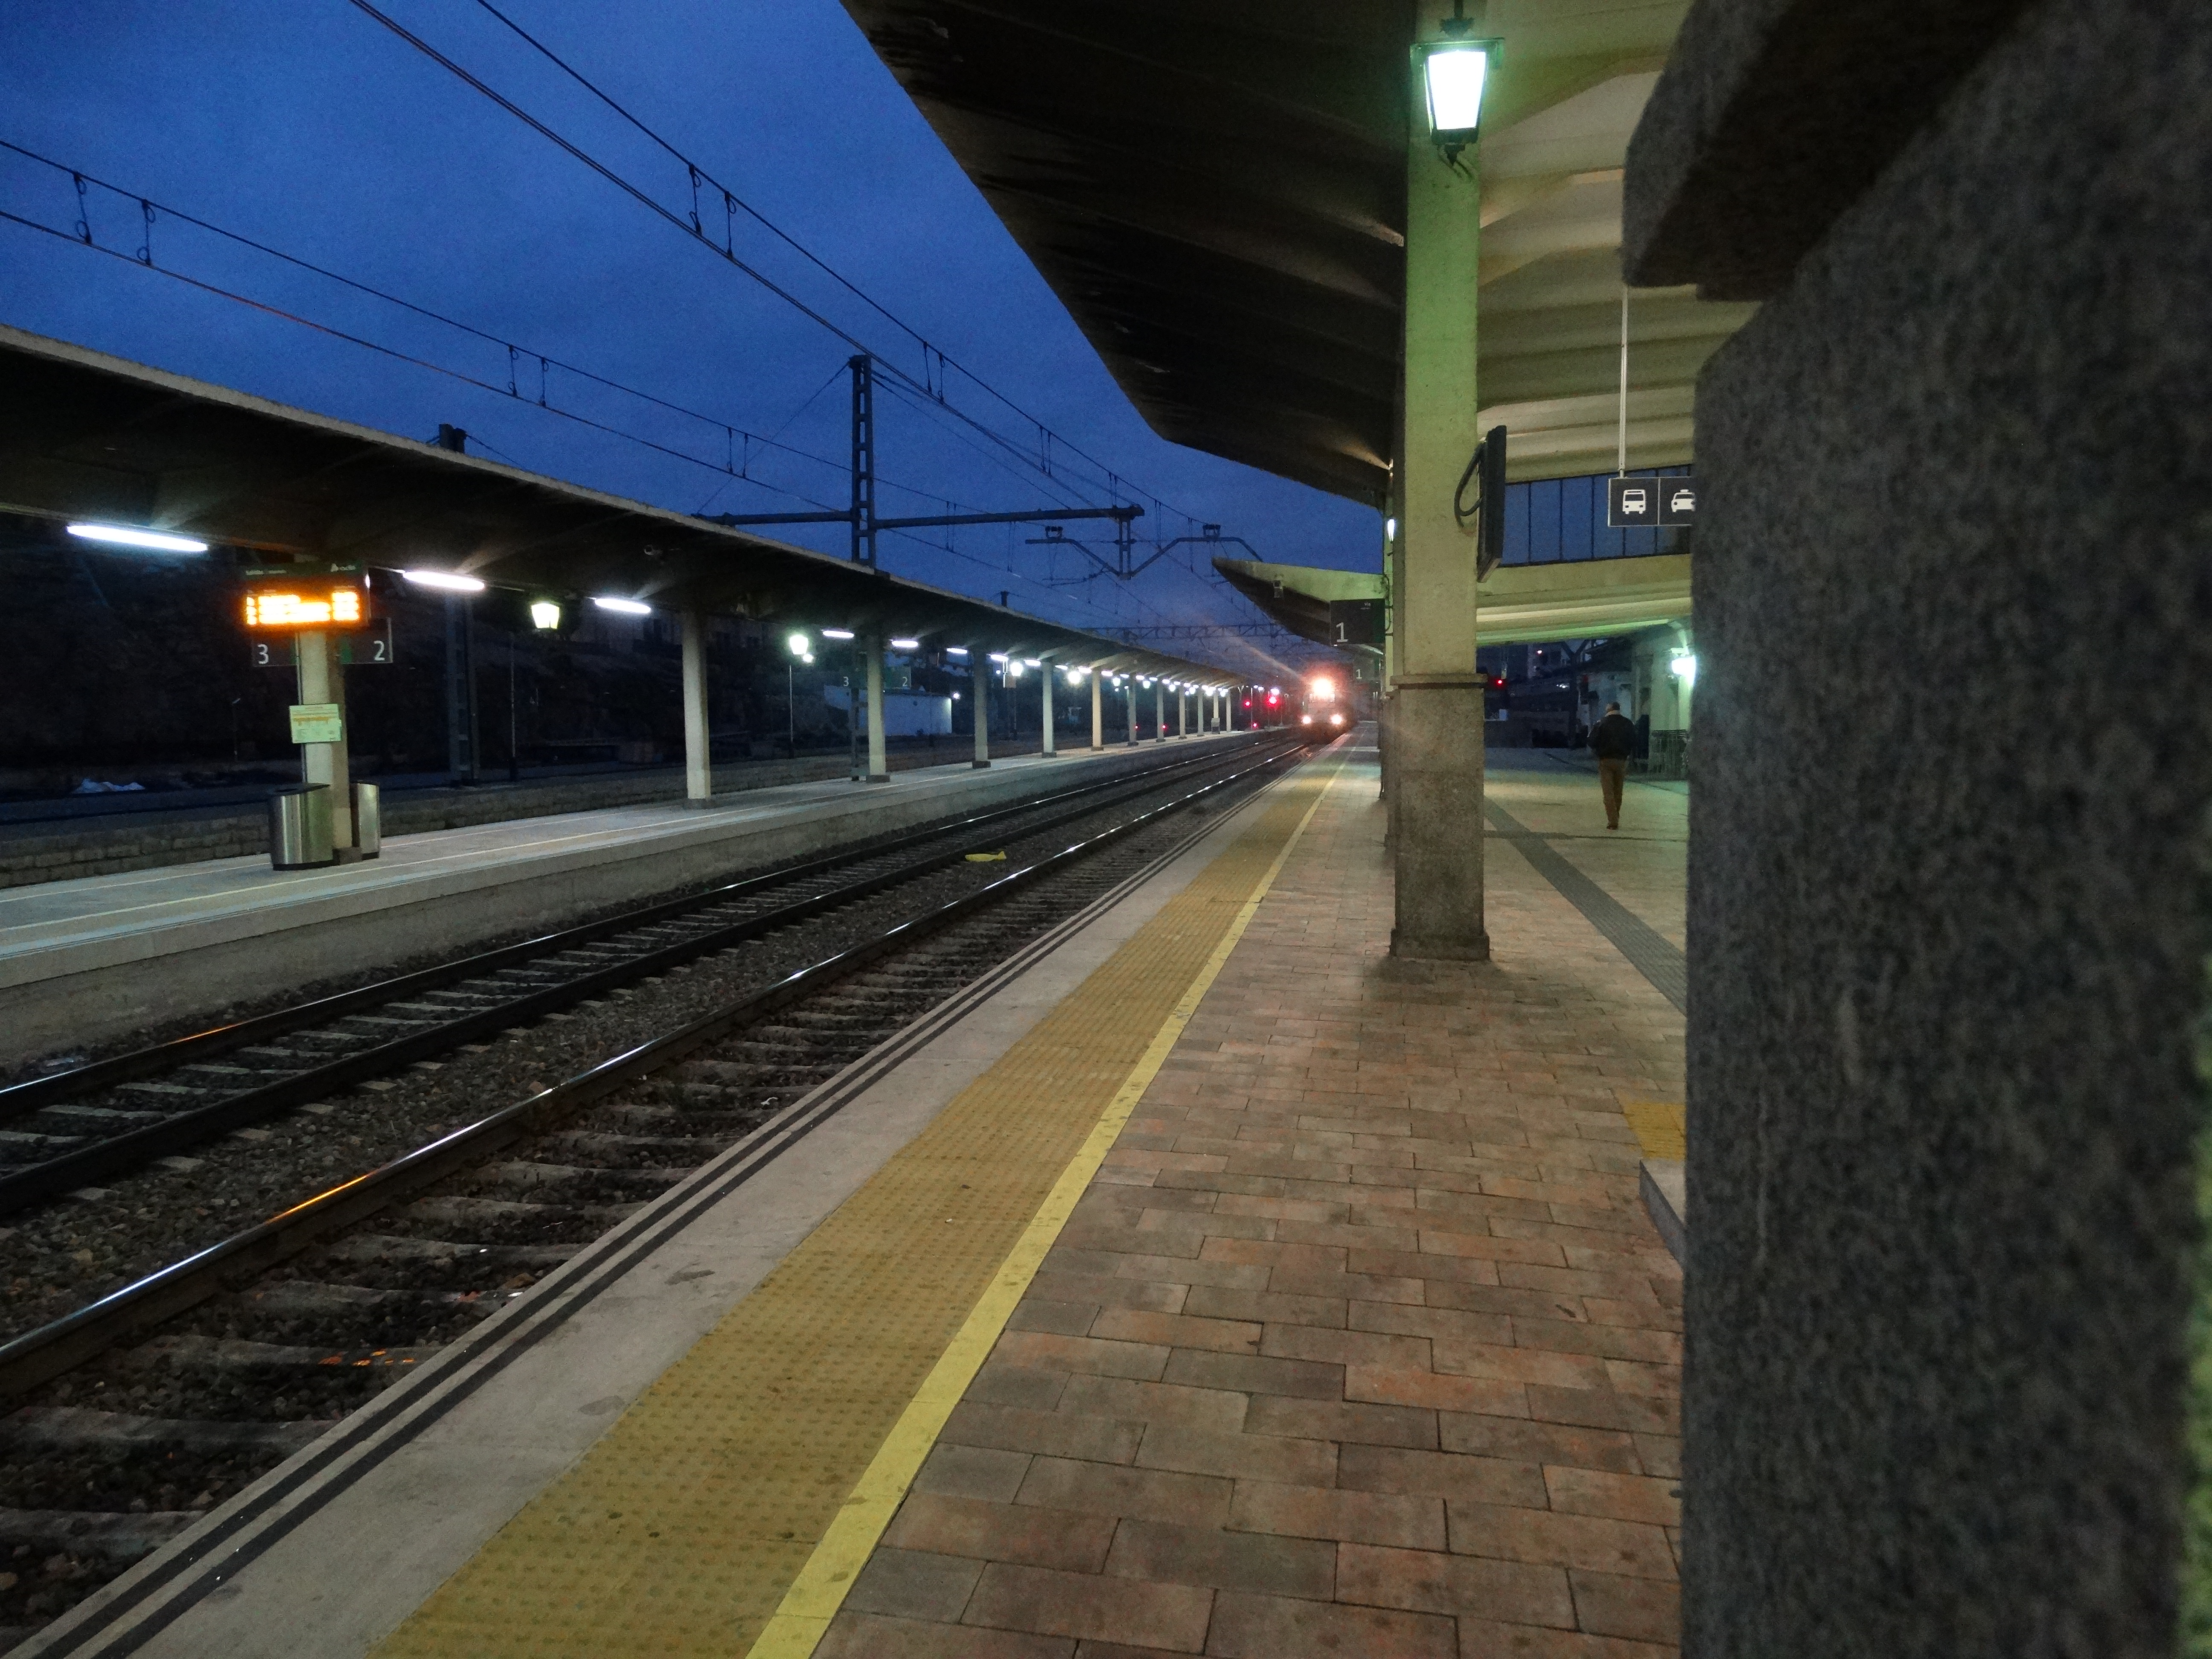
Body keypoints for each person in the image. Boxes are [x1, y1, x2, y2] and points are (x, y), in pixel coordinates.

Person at [1589, 700, 1638, 830]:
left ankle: (1613, 821)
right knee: (1618, 791)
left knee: (1608, 792)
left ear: (1610, 708)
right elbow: (1634, 740)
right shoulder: (1628, 723)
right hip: (1622, 760)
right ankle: (1616, 816)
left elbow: (1592, 741)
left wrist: (1599, 749)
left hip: (1606, 760)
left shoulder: (1601, 723)